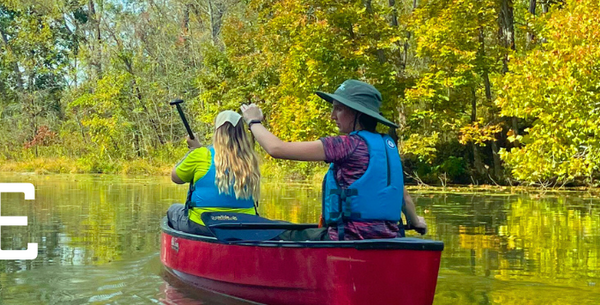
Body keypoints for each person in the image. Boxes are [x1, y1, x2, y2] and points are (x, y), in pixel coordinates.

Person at [240, 80, 427, 239]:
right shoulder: (388, 146)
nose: (332, 116)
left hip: (347, 238)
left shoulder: (346, 145)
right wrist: (416, 221)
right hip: (391, 238)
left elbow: (277, 148)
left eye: (338, 109)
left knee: (278, 231)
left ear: (357, 113)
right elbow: (404, 197)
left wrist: (253, 122)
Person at [166, 110, 262, 235]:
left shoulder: (201, 154)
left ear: (217, 131)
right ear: (241, 132)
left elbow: (176, 178)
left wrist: (194, 150)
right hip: (245, 224)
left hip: (202, 224)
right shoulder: (250, 158)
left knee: (173, 210)